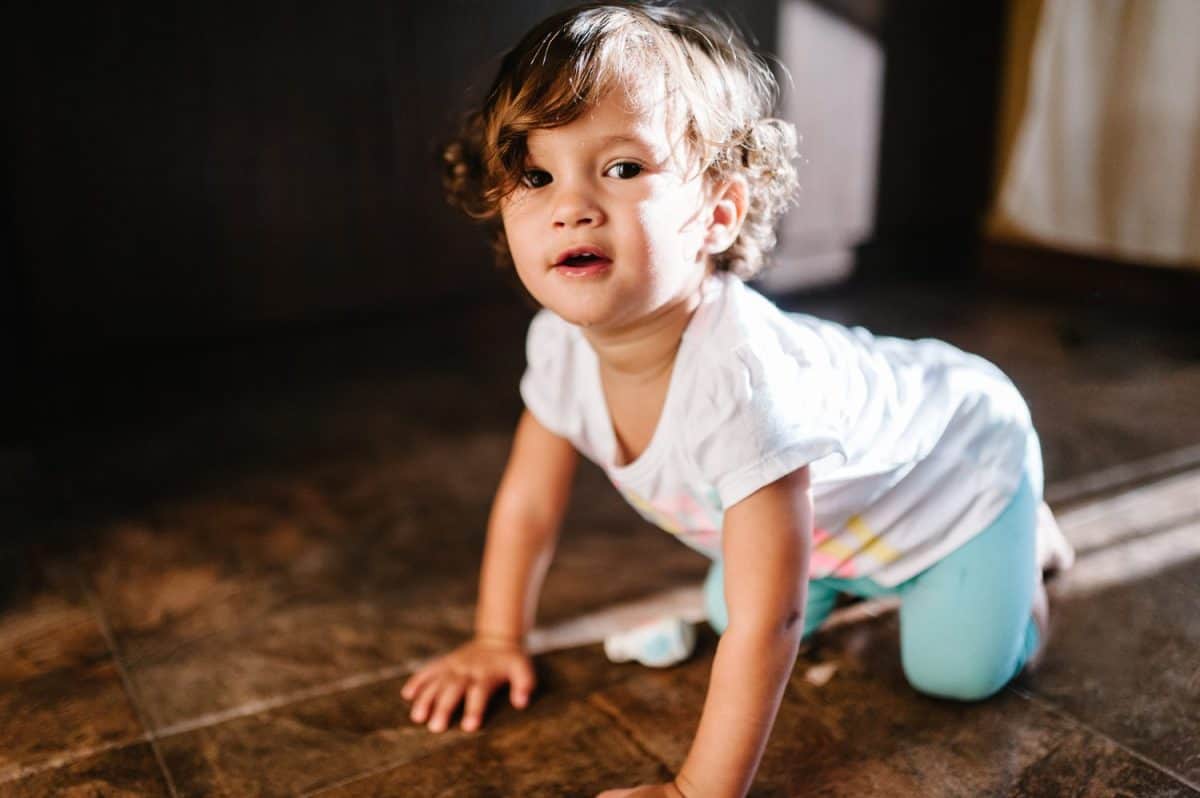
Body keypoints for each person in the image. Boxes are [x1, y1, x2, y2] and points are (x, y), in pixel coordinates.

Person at [402, 3, 1072, 795]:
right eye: (537, 174)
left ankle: (1024, 542)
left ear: (718, 212)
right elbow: (527, 507)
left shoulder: (742, 383)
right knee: (736, 610)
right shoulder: (558, 344)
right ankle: (849, 570)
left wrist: (697, 790)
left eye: (622, 168)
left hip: (957, 465)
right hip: (839, 514)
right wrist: (495, 635)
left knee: (952, 672)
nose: (570, 204)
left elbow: (773, 623)